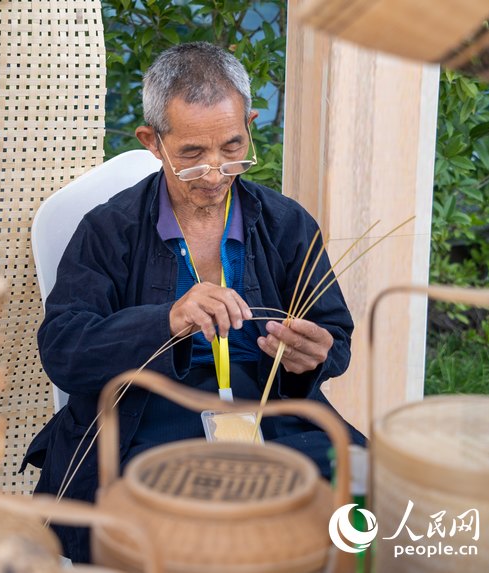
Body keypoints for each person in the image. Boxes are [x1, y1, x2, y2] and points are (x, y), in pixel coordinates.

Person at [20, 41, 365, 563]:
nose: (214, 172)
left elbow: (334, 335)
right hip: (147, 415)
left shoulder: (287, 224)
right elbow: (64, 350)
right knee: (189, 532)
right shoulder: (110, 230)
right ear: (153, 142)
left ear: (249, 124)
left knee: (367, 496)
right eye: (191, 155)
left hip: (268, 409)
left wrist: (314, 352)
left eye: (231, 147)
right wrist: (165, 321)